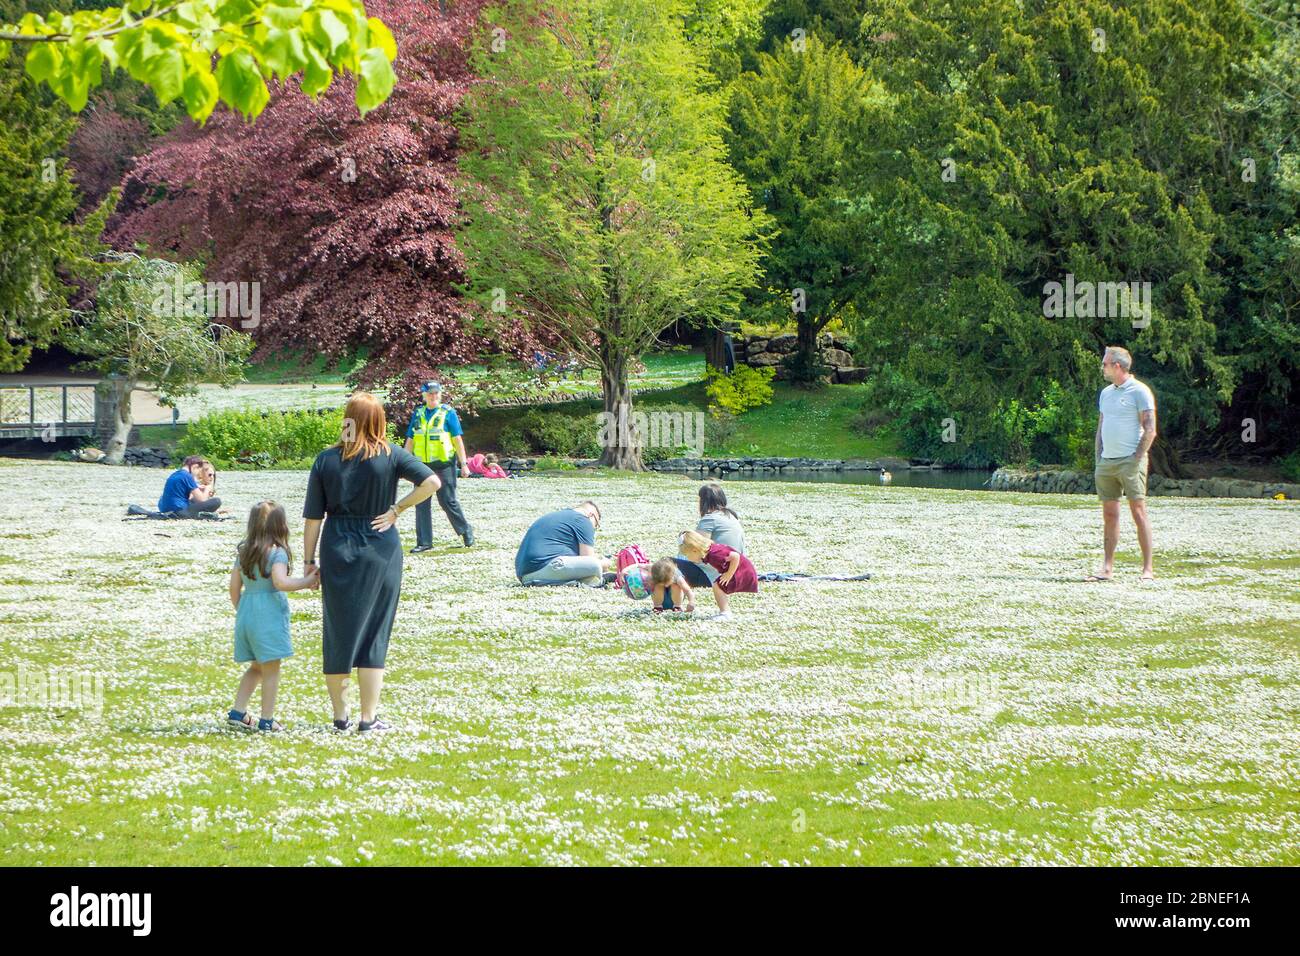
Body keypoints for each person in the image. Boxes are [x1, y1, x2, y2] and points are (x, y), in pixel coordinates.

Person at [303, 392, 440, 732]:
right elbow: (432, 482)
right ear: (378, 420)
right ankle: (369, 718)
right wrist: (397, 510)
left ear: (348, 419)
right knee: (376, 631)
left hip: (337, 544)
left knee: (338, 631)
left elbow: (312, 519)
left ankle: (340, 716)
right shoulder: (392, 455)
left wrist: (308, 560)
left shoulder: (325, 460)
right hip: (380, 546)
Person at [226, 501, 319, 732]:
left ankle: (238, 712)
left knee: (256, 667)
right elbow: (280, 582)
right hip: (268, 615)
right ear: (281, 526)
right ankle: (267, 719)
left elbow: (234, 588)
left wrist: (243, 610)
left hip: (246, 612)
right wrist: (307, 582)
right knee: (271, 670)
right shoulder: (277, 553)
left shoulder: (244, 552)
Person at [1088, 346, 1157, 582]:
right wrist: (1099, 457)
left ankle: (1147, 569)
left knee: (1138, 512)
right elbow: (1101, 426)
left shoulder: (1140, 391)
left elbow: (1150, 429)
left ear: (1117, 366)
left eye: (1105, 364)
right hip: (1107, 461)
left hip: (1130, 461)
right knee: (1109, 514)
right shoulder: (1106, 393)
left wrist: (1137, 457)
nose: (1103, 367)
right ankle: (1107, 568)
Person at [404, 381, 474, 552]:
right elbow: (410, 440)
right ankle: (424, 542)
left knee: (447, 501)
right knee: (420, 502)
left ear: (440, 394)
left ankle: (465, 530)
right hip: (422, 466)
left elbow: (457, 440)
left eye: (436, 393)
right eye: (430, 394)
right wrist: (404, 463)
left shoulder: (448, 413)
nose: (433, 396)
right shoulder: (418, 414)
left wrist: (464, 464)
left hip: (444, 465)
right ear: (424, 395)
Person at [515, 501, 612, 587]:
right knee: (594, 564)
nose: (593, 529)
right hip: (546, 567)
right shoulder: (583, 519)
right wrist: (604, 563)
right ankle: (599, 581)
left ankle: (583, 583)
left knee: (589, 570)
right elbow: (588, 559)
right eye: (596, 525)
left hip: (524, 575)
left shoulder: (560, 516)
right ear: (591, 515)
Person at [675, 482, 746, 588]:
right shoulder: (731, 517)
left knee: (670, 562)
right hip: (736, 571)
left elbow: (696, 547)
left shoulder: (710, 519)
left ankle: (670, 601)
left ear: (703, 501)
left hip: (715, 575)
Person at [678, 529, 758, 620]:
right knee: (717, 585)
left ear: (695, 550)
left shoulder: (715, 554)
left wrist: (729, 574)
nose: (687, 558)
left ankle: (725, 613)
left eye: (687, 555)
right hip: (740, 570)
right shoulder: (708, 553)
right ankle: (724, 611)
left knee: (717, 585)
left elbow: (735, 556)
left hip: (742, 572)